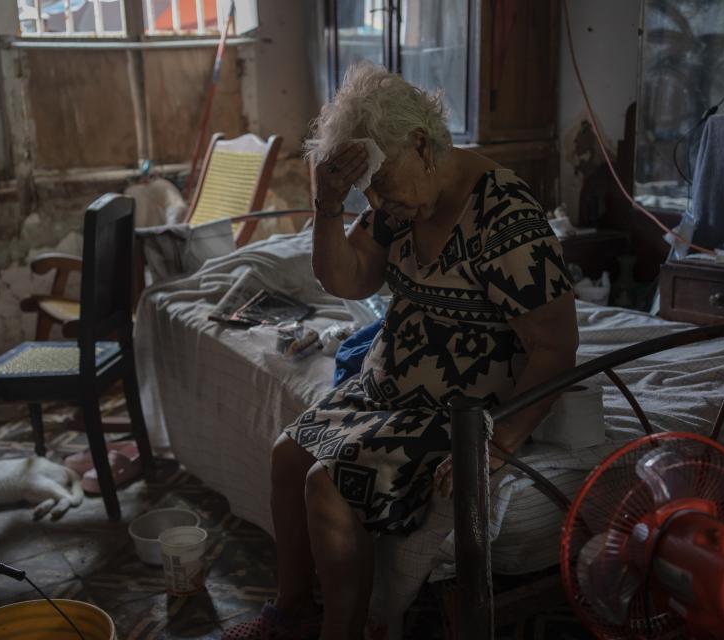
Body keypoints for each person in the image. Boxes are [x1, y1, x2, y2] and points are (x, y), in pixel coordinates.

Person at [223, 62, 579, 640]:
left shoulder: (504, 216)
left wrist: (499, 443)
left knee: (326, 483)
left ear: (421, 144)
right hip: (385, 387)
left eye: (380, 184)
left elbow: (557, 347)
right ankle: (292, 613)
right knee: (288, 457)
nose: (379, 200)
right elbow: (349, 279)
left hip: (459, 413)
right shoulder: (401, 199)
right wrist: (327, 208)